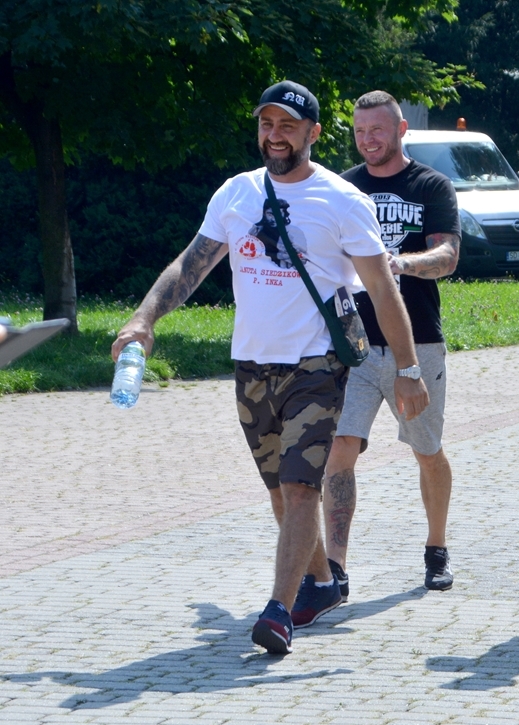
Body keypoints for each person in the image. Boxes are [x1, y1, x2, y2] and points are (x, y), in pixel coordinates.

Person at [111, 80, 429, 656]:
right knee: (281, 492)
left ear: (313, 133)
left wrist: (408, 367)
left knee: (302, 486)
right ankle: (323, 583)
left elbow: (383, 289)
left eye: (288, 125)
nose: (275, 135)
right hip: (252, 365)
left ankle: (279, 611)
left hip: (318, 363)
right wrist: (144, 318)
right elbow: (192, 265)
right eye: (267, 124)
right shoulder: (235, 193)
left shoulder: (341, 200)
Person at [322, 91, 461, 599]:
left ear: (401, 130)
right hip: (353, 345)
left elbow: (448, 255)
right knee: (340, 448)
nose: (367, 140)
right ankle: (335, 566)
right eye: (359, 131)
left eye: (377, 130)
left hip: (417, 343)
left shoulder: (431, 185)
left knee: (427, 451)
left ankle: (436, 548)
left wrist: (400, 264)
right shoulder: (342, 188)